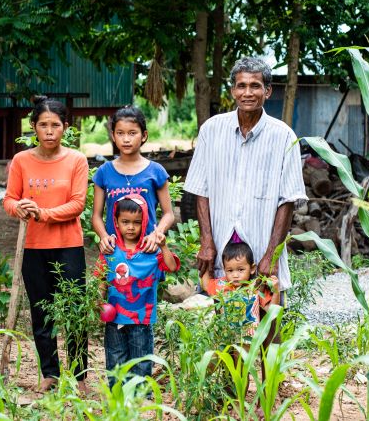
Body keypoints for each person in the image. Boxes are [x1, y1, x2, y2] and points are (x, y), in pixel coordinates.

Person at [184, 56, 307, 343]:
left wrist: (270, 255)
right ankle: (234, 389)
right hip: (225, 252)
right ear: (232, 90)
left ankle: (269, 388)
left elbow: (287, 200)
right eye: (241, 86)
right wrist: (206, 242)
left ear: (268, 91)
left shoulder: (283, 136)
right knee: (229, 331)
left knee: (269, 330)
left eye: (255, 86)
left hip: (263, 247)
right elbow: (201, 190)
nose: (247, 92)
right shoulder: (211, 130)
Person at [2, 96, 90, 393]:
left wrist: (44, 213)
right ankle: (49, 373)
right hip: (33, 247)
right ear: (34, 127)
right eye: (43, 125)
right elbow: (9, 199)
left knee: (74, 309)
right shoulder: (21, 161)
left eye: (55, 125)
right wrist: (20, 208)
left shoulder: (76, 160)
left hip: (69, 246)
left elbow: (78, 204)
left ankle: (80, 376)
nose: (49, 131)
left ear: (66, 127)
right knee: (42, 310)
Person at [96, 194, 179, 385]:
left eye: (136, 222)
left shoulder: (151, 251)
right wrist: (98, 301)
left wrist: (163, 246)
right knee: (115, 358)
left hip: (142, 318)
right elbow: (101, 277)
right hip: (114, 317)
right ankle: (118, 394)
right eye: (125, 222)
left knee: (142, 359)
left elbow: (172, 266)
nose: (131, 227)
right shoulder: (110, 249)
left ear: (145, 223)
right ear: (116, 221)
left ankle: (142, 397)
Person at [91, 106, 175, 255]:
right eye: (120, 133)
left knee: (148, 280)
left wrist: (156, 234)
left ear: (144, 135)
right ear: (113, 136)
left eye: (132, 133)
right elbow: (96, 216)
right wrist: (103, 237)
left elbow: (169, 214)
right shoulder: (103, 172)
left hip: (147, 249)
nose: (126, 139)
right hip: (114, 251)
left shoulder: (156, 171)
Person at [200, 241, 280, 338]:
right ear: (224, 269)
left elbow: (271, 311)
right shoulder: (222, 285)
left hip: (248, 338)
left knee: (243, 352)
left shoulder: (255, 288)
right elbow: (206, 285)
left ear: (252, 268)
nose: (235, 275)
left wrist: (276, 290)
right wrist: (204, 261)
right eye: (230, 270)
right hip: (225, 337)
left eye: (241, 270)